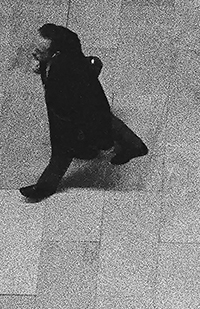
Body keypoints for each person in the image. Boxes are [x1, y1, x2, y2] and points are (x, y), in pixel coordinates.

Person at [20, 23, 149, 201]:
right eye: (35, 47)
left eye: (40, 51)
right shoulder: (67, 56)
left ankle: (44, 188)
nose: (34, 53)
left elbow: (65, 106)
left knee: (61, 152)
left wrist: (68, 124)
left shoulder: (62, 74)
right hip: (88, 104)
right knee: (107, 123)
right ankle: (133, 145)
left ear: (55, 54)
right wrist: (42, 64)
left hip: (76, 113)